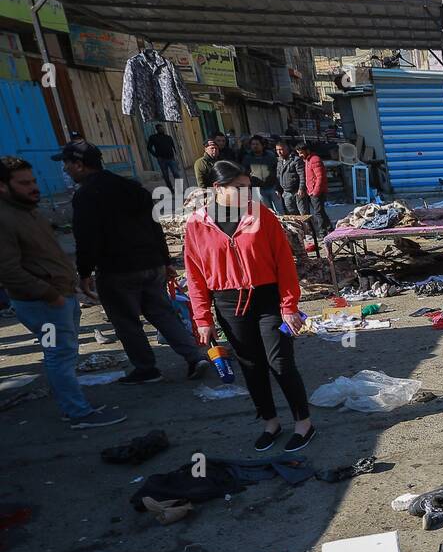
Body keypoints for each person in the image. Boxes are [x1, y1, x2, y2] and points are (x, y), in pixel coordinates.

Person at [183, 161, 315, 452]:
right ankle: (270, 422)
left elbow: (284, 262)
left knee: (280, 361)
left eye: (248, 187)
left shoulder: (261, 215)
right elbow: (194, 275)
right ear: (218, 188)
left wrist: (289, 306)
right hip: (228, 303)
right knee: (251, 365)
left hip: (268, 299)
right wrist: (202, 318)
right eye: (239, 187)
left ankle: (303, 423)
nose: (247, 193)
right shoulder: (197, 223)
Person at [57, 141, 209, 383]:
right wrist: (165, 260)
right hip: (152, 265)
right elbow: (154, 227)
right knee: (163, 314)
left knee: (126, 322)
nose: (65, 169)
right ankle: (195, 357)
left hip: (117, 270)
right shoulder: (132, 187)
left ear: (79, 165)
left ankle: (147, 369)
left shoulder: (86, 195)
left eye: (67, 164)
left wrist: (84, 273)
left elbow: (86, 238)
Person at [0, 156, 126, 428]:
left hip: (58, 297)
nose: (34, 187)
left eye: (33, 181)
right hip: (42, 304)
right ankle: (77, 412)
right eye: (24, 183)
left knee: (63, 354)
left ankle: (74, 405)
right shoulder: (5, 219)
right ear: (2, 186)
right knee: (57, 355)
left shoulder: (27, 211)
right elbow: (8, 270)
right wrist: (50, 295)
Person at [296, 143, 330, 243]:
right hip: (312, 191)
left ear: (307, 151)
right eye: (298, 153)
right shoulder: (307, 160)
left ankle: (323, 233)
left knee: (318, 213)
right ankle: (330, 229)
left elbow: (320, 177)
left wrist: (315, 192)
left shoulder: (315, 160)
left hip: (317, 192)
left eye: (301, 153)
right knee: (321, 212)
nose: (300, 155)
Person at [243, 136, 281, 213]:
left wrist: (278, 187)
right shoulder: (247, 158)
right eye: (253, 144)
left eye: (257, 144)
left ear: (262, 145)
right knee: (266, 212)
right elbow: (245, 172)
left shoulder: (270, 156)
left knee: (279, 211)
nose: (255, 146)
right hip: (257, 189)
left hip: (273, 187)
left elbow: (278, 171)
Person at [275, 141, 304, 215]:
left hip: (297, 192)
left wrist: (301, 188)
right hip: (286, 192)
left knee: (303, 214)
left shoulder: (296, 160)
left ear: (287, 149)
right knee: (291, 215)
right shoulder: (279, 161)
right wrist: (277, 189)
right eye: (277, 150)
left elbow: (302, 175)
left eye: (281, 149)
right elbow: (278, 176)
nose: (279, 152)